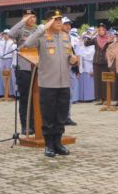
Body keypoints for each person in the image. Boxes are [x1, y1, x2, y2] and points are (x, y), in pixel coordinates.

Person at [24, 10, 78, 158]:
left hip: (64, 83)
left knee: (61, 115)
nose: (60, 22)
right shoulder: (41, 36)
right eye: (56, 20)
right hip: (48, 83)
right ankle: (48, 144)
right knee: (48, 116)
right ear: (48, 22)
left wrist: (72, 60)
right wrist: (42, 28)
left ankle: (58, 143)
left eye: (60, 20)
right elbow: (27, 43)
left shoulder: (65, 36)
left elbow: (69, 56)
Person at [9, 9, 38, 135]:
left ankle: (36, 124)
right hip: (24, 68)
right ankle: (26, 126)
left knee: (36, 98)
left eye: (33, 17)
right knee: (25, 98)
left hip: (37, 68)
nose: (31, 19)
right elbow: (11, 34)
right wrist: (23, 21)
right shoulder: (20, 30)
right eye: (28, 17)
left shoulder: (38, 30)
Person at [83, 23, 112, 105]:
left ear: (105, 31)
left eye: (103, 30)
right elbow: (86, 43)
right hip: (96, 62)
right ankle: (100, 99)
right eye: (99, 30)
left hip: (105, 63)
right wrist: (92, 34)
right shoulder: (96, 39)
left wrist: (110, 42)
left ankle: (106, 98)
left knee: (105, 81)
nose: (101, 31)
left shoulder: (109, 39)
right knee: (97, 81)